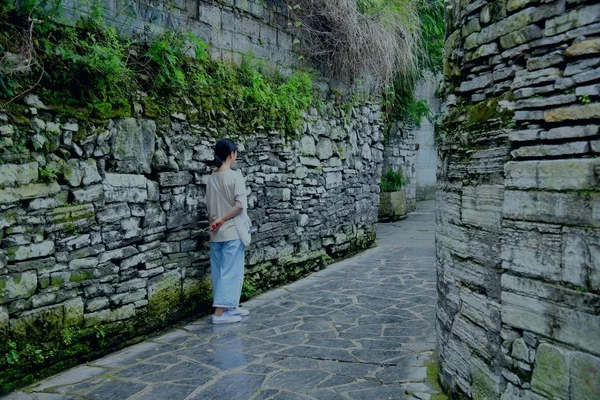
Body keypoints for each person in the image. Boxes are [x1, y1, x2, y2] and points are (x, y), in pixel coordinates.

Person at [206, 139, 250, 324]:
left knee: (219, 272)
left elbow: (209, 208)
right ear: (232, 154)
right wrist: (223, 219)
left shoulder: (211, 178)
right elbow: (240, 205)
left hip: (215, 233)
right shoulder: (235, 177)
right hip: (232, 231)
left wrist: (216, 221)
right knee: (231, 271)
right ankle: (220, 313)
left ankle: (230, 307)